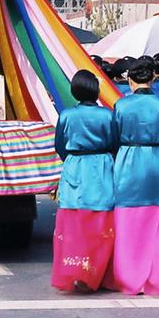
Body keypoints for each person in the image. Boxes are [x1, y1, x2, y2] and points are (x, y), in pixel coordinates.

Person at [106, 57, 159, 296]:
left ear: (129, 79)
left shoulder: (122, 105)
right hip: (158, 162)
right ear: (152, 78)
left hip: (129, 162)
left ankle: (129, 277)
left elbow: (114, 139)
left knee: (128, 223)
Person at [50, 70, 117, 293]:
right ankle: (98, 272)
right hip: (100, 166)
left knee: (73, 222)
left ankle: (75, 270)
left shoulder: (67, 115)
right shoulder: (107, 115)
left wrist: (72, 158)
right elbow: (114, 143)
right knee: (100, 222)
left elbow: (59, 144)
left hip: (75, 166)